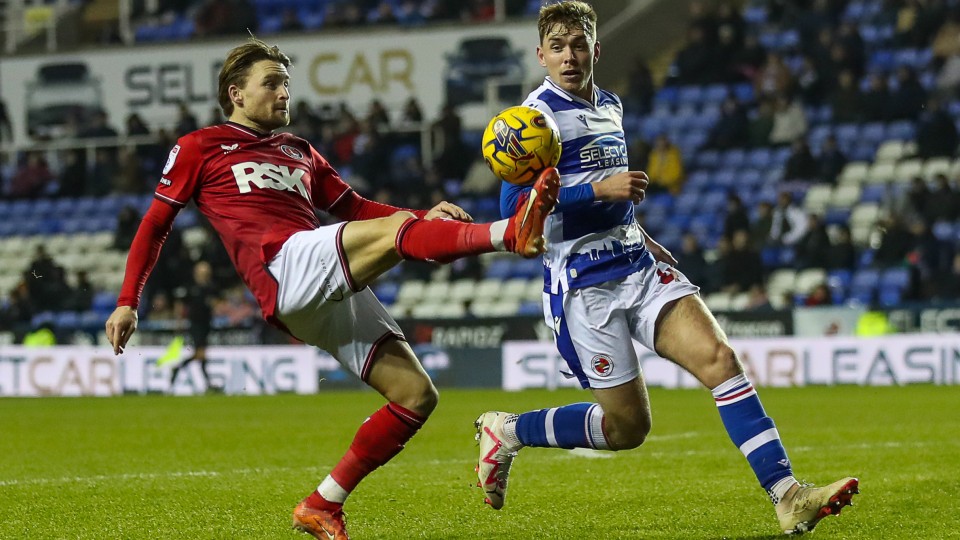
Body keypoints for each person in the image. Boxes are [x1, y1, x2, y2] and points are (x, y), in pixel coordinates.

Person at [104, 37, 560, 540]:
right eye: (271, 84)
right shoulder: (200, 146)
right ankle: (506, 232)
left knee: (415, 396)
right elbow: (154, 224)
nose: (283, 94)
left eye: (286, 84)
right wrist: (128, 301)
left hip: (318, 285)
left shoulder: (299, 151)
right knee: (399, 235)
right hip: (284, 267)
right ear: (235, 93)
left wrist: (420, 215)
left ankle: (322, 504)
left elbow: (358, 209)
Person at [474, 3, 858, 536]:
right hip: (583, 285)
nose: (569, 56)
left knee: (720, 359)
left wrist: (642, 233)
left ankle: (788, 494)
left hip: (634, 261)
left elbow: (614, 189)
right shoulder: (530, 120)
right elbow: (513, 212)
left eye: (578, 44)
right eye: (557, 47)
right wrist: (595, 190)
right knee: (628, 427)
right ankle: (511, 431)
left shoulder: (611, 105)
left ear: (595, 50)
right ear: (541, 55)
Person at [169, 261, 220, 391]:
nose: (205, 274)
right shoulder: (190, 287)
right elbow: (180, 304)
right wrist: (179, 321)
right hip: (195, 324)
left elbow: (216, 303)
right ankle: (207, 383)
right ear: (196, 273)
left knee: (201, 355)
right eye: (202, 272)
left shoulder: (211, 287)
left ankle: (179, 370)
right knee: (200, 354)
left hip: (207, 324)